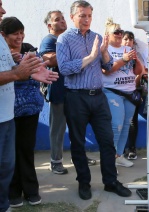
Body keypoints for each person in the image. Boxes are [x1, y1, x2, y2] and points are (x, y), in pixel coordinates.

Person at [56, 0, 131, 200]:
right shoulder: (64, 40)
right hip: (76, 98)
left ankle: (111, 181)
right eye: (82, 15)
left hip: (98, 97)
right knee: (78, 143)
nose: (86, 19)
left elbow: (107, 67)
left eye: (89, 15)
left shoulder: (97, 37)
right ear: (72, 17)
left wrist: (104, 53)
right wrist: (89, 57)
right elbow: (64, 69)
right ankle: (84, 183)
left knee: (107, 141)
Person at [0, 2, 57, 212]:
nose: (19, 37)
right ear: (4, 35)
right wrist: (16, 69)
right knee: (9, 157)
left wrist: (29, 66)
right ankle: (13, 193)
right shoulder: (3, 53)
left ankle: (31, 191)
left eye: (21, 32)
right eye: (14, 33)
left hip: (30, 111)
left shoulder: (28, 50)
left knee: (25, 151)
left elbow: (38, 72)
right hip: (8, 112)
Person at [102, 18, 143, 168]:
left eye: (121, 32)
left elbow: (138, 72)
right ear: (108, 34)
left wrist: (136, 60)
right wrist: (124, 60)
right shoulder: (105, 49)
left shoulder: (127, 49)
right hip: (112, 92)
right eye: (116, 32)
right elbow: (106, 70)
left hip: (130, 93)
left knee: (126, 125)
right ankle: (109, 160)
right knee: (116, 125)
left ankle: (119, 155)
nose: (120, 35)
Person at [40, 10, 70, 175]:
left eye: (63, 18)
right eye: (57, 20)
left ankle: (78, 156)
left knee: (76, 126)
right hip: (58, 90)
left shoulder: (66, 39)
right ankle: (56, 162)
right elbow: (50, 59)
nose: (62, 21)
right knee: (58, 128)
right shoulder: (49, 40)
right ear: (49, 25)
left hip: (73, 89)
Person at [122, 30, 147, 160]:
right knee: (119, 121)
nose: (128, 41)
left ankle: (131, 148)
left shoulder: (136, 56)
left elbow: (140, 72)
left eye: (130, 39)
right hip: (118, 93)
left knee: (132, 121)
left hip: (134, 91)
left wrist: (133, 83)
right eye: (125, 39)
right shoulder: (115, 54)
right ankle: (119, 150)